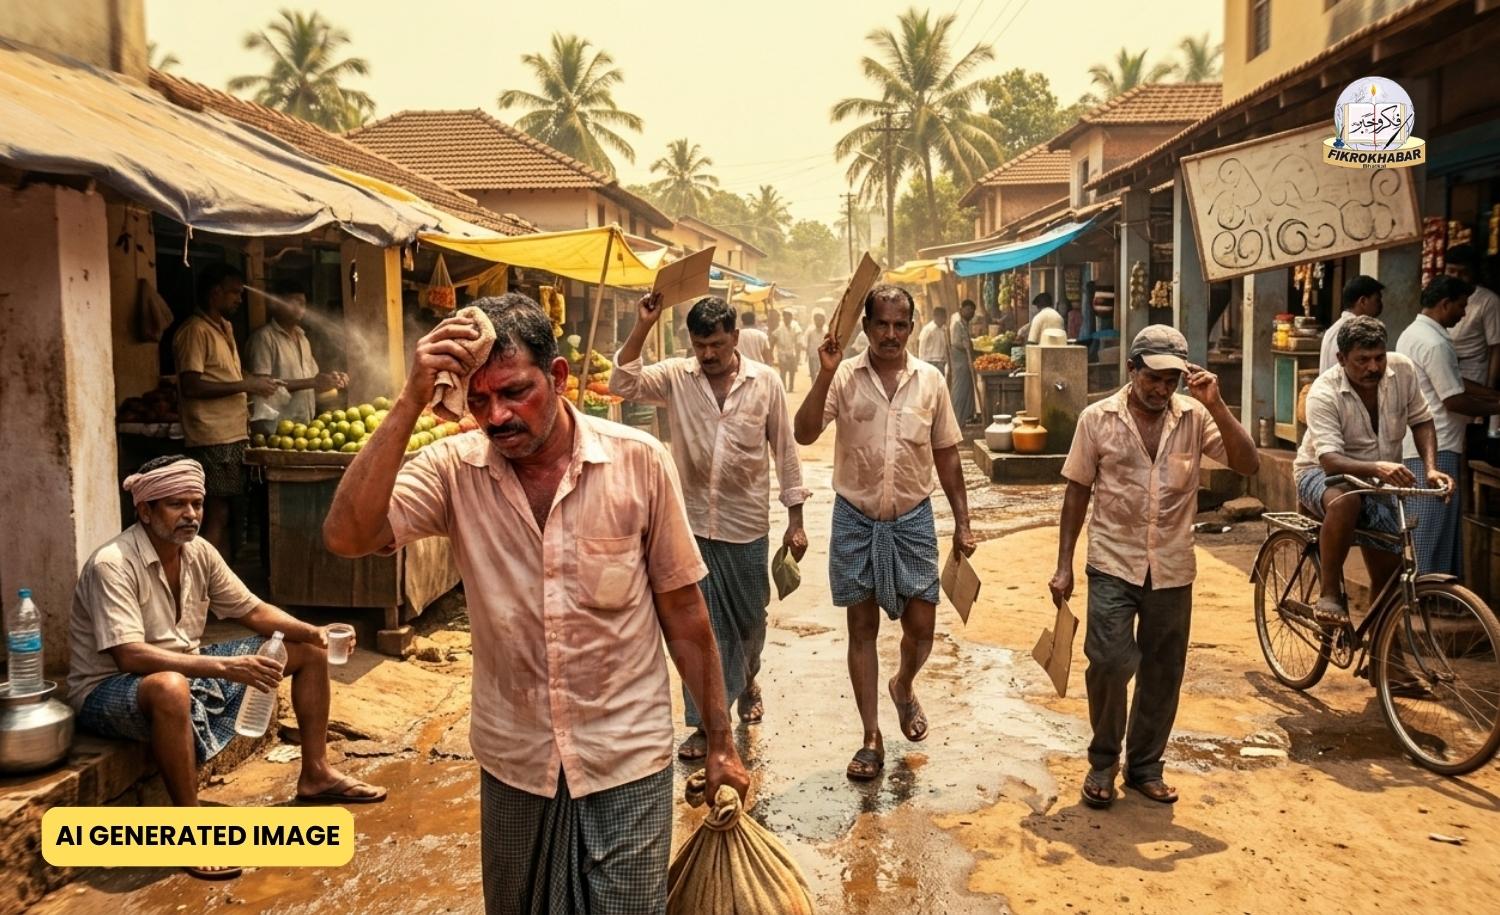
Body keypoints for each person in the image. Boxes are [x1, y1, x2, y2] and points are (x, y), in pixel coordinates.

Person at [322, 294, 749, 913]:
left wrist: (719, 739)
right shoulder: (452, 469)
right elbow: (347, 536)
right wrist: (412, 396)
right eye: (478, 399)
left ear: (557, 377)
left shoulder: (638, 462)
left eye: (515, 392)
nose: (496, 416)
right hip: (515, 759)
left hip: (626, 753)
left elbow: (684, 614)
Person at [69, 456, 384, 880]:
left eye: (197, 503)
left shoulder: (198, 552)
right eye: (176, 504)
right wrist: (223, 666)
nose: (191, 515)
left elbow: (252, 610)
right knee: (170, 687)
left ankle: (316, 773)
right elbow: (131, 657)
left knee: (305, 652)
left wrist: (313, 631)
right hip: (108, 689)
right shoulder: (113, 563)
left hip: (184, 672)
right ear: (144, 511)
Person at [1051, 326, 1258, 810]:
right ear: (1132, 370)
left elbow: (1247, 463)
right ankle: (1103, 761)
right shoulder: (1096, 419)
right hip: (1112, 560)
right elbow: (1077, 491)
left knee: (1163, 670)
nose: (1162, 389)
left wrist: (1218, 405)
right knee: (1108, 661)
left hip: (1171, 566)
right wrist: (1064, 564)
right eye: (1153, 378)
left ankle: (1145, 766)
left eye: (1171, 381)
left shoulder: (1195, 417)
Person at [611, 294, 810, 760]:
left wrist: (795, 519)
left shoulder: (766, 383)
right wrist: (643, 324)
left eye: (716, 344)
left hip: (746, 526)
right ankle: (704, 722)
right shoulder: (677, 377)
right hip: (689, 524)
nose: (708, 355)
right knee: (698, 628)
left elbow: (785, 450)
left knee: (749, 624)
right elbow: (622, 382)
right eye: (700, 345)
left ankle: (748, 678)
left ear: (735, 339)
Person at [794, 284, 976, 782]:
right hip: (855, 517)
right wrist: (825, 372)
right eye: (881, 325)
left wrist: (962, 519)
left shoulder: (931, 381)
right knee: (862, 630)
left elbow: (946, 453)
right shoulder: (844, 377)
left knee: (922, 628)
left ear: (911, 327)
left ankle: (904, 684)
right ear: (867, 327)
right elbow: (804, 431)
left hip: (914, 518)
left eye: (900, 325)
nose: (891, 335)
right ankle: (871, 736)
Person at [1294, 316, 1452, 622]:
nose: (1373, 367)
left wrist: (1431, 469)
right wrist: (1377, 467)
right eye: (1362, 360)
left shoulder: (1402, 369)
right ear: (1341, 359)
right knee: (1346, 500)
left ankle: (1387, 659)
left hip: (1376, 480)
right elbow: (1329, 460)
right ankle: (1329, 594)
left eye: (1379, 357)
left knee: (1391, 573)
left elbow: (1421, 419)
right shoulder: (1323, 392)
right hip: (1319, 472)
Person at [173, 263, 281, 554]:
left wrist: (253, 382)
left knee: (230, 511)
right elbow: (191, 386)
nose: (239, 299)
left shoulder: (226, 328)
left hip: (233, 433)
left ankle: (220, 579)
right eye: (234, 292)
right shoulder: (195, 331)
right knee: (215, 511)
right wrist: (247, 386)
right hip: (211, 436)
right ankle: (203, 581)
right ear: (214, 293)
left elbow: (227, 377)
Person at [1397, 276, 1500, 575]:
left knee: (1432, 524)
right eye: (1461, 305)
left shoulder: (1413, 333)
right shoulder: (1436, 343)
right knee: (1430, 527)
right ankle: (1424, 594)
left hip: (1425, 443)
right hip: (1436, 445)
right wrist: (1495, 406)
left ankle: (1434, 595)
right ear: (1445, 304)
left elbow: (1450, 381)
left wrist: (1490, 395)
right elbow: (1453, 399)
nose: (1464, 313)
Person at [246, 280, 349, 436]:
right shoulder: (264, 339)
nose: (301, 308)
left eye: (303, 303)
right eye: (295, 303)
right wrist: (313, 382)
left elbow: (313, 380)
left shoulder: (303, 339)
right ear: (276, 304)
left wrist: (331, 380)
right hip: (274, 430)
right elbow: (261, 387)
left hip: (305, 427)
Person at [1444, 244, 1500, 388]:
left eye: (1463, 273)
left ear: (1474, 272)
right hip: (1444, 370)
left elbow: (1496, 347)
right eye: (1451, 271)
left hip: (1474, 374)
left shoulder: (1488, 301)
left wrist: (1490, 387)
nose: (1456, 277)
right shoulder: (1440, 295)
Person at [1320, 274, 1385, 374]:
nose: (1380, 304)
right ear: (1363, 301)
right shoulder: (1358, 332)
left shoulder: (1333, 329)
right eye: (1377, 300)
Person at [948, 299, 979, 425]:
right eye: (968, 310)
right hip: (959, 361)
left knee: (968, 389)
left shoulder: (964, 324)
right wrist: (965, 345)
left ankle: (967, 416)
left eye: (972, 311)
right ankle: (956, 418)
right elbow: (955, 342)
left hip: (966, 361)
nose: (971, 313)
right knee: (960, 389)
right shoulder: (957, 324)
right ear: (962, 310)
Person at [769, 308, 800, 391]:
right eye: (785, 316)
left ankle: (791, 387)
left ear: (791, 317)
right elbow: (773, 339)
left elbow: (798, 339)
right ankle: (783, 387)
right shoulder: (779, 327)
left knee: (792, 371)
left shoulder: (795, 326)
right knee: (783, 372)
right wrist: (771, 352)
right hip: (782, 353)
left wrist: (798, 353)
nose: (787, 318)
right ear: (783, 317)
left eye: (789, 316)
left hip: (791, 352)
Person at [918, 306, 950, 375]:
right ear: (936, 317)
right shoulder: (928, 329)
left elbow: (944, 347)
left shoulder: (944, 330)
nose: (945, 320)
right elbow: (922, 347)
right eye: (943, 317)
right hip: (930, 362)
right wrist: (922, 364)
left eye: (945, 317)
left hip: (941, 363)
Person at [805, 310, 828, 381]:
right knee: (813, 374)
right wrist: (807, 354)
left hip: (823, 356)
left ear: (824, 321)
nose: (819, 321)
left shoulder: (826, 331)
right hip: (812, 355)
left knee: (822, 374)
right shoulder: (810, 330)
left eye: (821, 319)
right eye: (817, 319)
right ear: (814, 320)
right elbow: (807, 342)